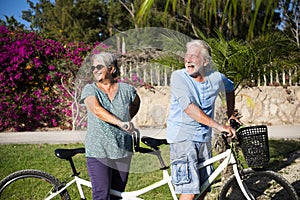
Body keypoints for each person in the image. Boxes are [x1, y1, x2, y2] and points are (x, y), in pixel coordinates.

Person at [166, 40, 238, 200]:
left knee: (205, 186)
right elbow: (189, 108)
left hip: (203, 138)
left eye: (194, 56)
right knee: (190, 191)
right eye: (187, 55)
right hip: (182, 139)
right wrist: (220, 126)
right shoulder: (179, 77)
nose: (188, 59)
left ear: (205, 61)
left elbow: (230, 88)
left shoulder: (216, 78)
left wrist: (230, 114)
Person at [80, 52, 140, 200]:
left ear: (111, 69)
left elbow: (136, 103)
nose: (95, 70)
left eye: (99, 66)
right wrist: (120, 122)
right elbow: (96, 110)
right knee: (101, 195)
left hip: (123, 150)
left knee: (117, 196)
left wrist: (128, 118)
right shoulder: (90, 89)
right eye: (93, 67)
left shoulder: (127, 90)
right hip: (99, 150)